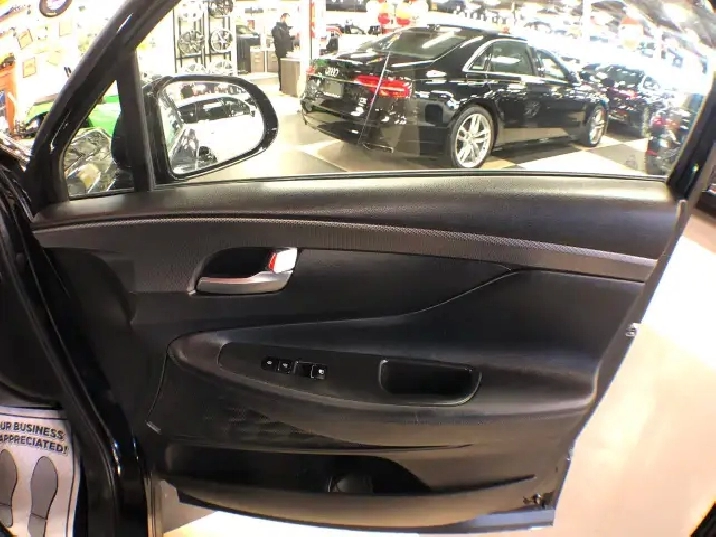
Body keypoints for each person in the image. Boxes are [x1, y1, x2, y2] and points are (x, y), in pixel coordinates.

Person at [271, 13, 293, 92]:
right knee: (281, 68)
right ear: (283, 18)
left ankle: (286, 85)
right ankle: (282, 86)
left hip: (287, 51)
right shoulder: (277, 28)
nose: (288, 20)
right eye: (287, 18)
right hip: (281, 51)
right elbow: (279, 40)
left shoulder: (286, 28)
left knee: (287, 69)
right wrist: (290, 37)